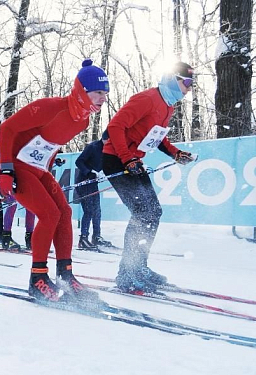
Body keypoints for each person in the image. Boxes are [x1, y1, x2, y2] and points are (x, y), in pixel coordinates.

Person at [0, 59, 109, 304]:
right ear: (82, 91)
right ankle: (37, 278)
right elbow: (7, 129)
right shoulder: (51, 107)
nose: (103, 98)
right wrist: (5, 170)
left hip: (38, 169)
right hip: (17, 167)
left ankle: (65, 275)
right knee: (48, 214)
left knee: (64, 211)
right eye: (98, 92)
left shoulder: (83, 121)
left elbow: (50, 144)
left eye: (105, 93)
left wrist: (49, 165)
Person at [102, 61, 197, 294]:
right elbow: (115, 127)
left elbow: (158, 137)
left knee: (153, 211)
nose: (189, 89)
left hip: (133, 161)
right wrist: (126, 158)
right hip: (116, 159)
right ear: (173, 79)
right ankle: (127, 273)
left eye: (192, 85)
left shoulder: (168, 106)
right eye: (187, 82)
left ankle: (139, 266)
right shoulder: (146, 99)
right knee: (143, 212)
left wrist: (175, 153)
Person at [74, 130, 113, 250]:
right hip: (84, 182)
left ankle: (96, 236)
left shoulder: (110, 149)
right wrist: (89, 172)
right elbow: (78, 161)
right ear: (105, 139)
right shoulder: (93, 147)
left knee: (97, 211)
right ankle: (83, 238)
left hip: (94, 183)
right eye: (109, 141)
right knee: (89, 210)